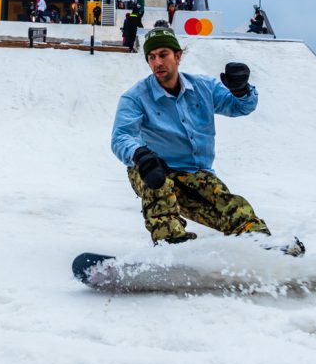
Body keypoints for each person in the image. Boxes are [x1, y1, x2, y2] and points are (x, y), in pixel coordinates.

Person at [110, 28, 305, 255]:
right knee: (158, 186)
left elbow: (239, 106)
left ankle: (261, 248)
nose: (157, 63)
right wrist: (140, 154)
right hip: (153, 168)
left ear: (178, 56)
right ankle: (171, 245)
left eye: (163, 54)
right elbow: (121, 136)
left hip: (195, 173)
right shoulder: (135, 97)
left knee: (231, 205)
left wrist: (241, 90)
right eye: (151, 57)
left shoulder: (203, 87)